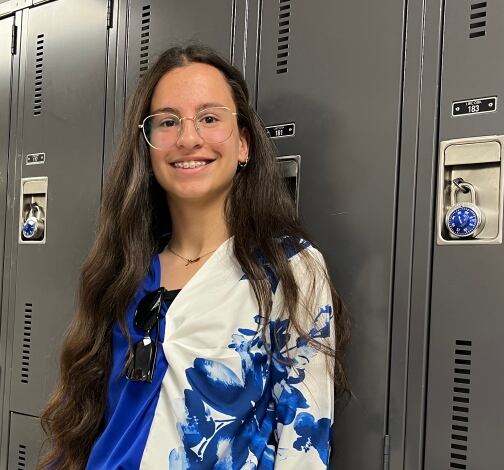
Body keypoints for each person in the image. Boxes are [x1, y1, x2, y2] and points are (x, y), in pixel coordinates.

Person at [39, 44, 349, 470]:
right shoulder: (125, 266)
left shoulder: (287, 270)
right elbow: (87, 419)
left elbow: (305, 445)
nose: (188, 138)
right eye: (168, 122)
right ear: (147, 149)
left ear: (243, 145)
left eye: (209, 118)